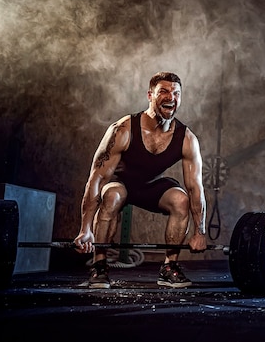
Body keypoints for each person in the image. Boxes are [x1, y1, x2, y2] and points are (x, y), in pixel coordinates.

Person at [73, 71, 208, 289]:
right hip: (122, 183)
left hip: (151, 186)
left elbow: (196, 188)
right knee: (112, 195)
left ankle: (169, 267)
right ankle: (99, 265)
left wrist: (199, 233)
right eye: (163, 91)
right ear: (150, 95)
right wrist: (85, 229)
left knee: (181, 199)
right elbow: (96, 179)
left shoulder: (187, 138)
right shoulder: (123, 129)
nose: (170, 97)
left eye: (176, 93)